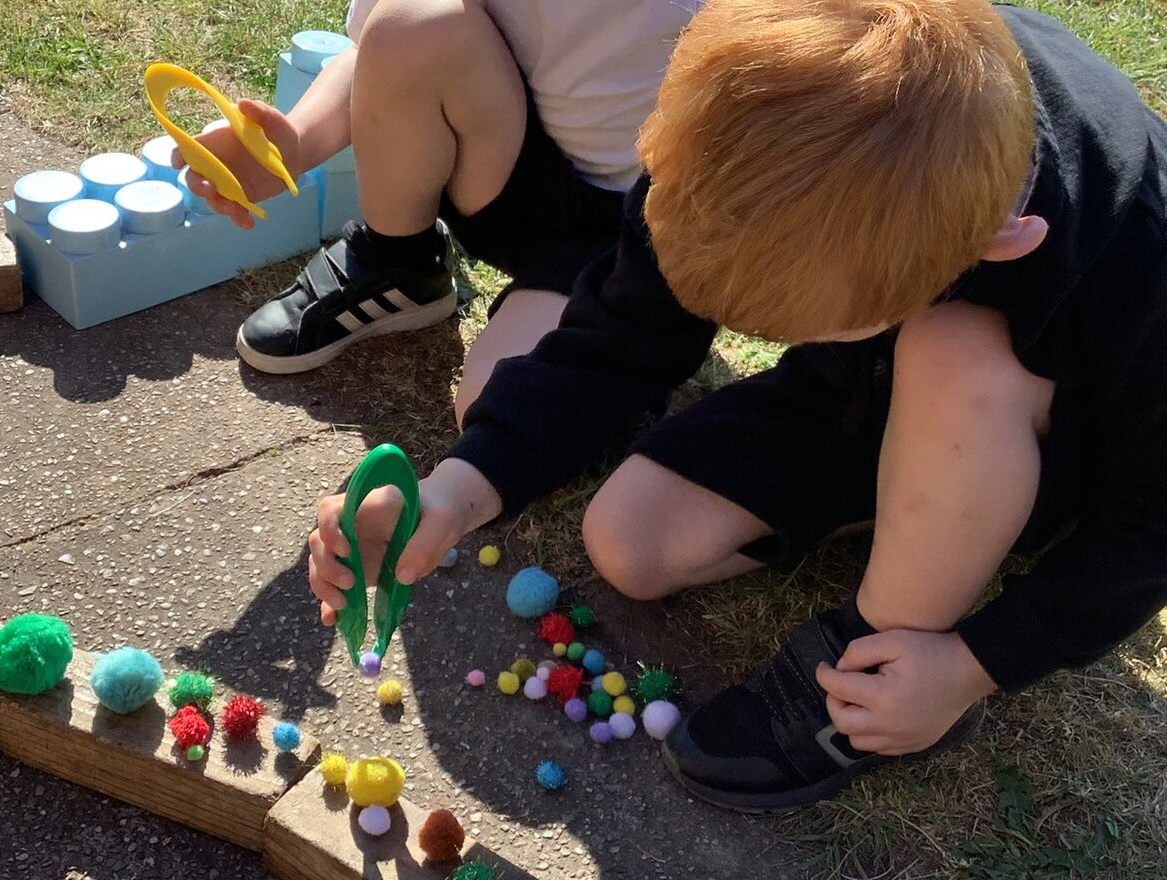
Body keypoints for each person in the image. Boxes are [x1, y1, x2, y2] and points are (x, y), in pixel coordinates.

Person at [305, 0, 1167, 811]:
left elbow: (1150, 527)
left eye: (799, 324)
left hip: (1061, 434)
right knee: (631, 544)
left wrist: (972, 664)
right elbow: (620, 338)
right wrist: (459, 489)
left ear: (995, 246)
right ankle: (925, 499)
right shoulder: (742, 131)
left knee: (957, 351)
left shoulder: (1137, 251)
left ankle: (874, 669)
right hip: (869, 386)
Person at [176, 0, 701, 391]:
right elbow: (381, 50)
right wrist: (293, 147)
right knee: (414, 20)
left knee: (494, 403)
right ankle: (400, 261)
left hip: (636, 232)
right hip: (511, 171)